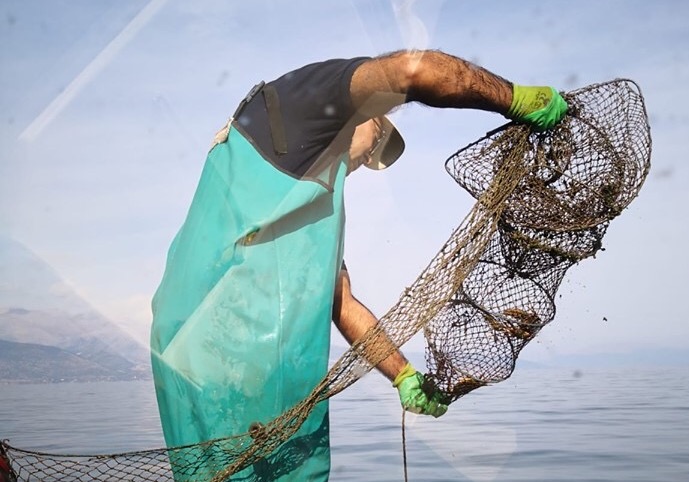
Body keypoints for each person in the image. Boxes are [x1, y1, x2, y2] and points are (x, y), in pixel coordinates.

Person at [150, 49, 567, 481]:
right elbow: (415, 69)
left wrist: (402, 374)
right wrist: (513, 98)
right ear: (365, 113)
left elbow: (342, 303)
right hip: (218, 357)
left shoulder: (313, 205)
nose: (370, 161)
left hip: (250, 374)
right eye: (379, 138)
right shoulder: (302, 104)